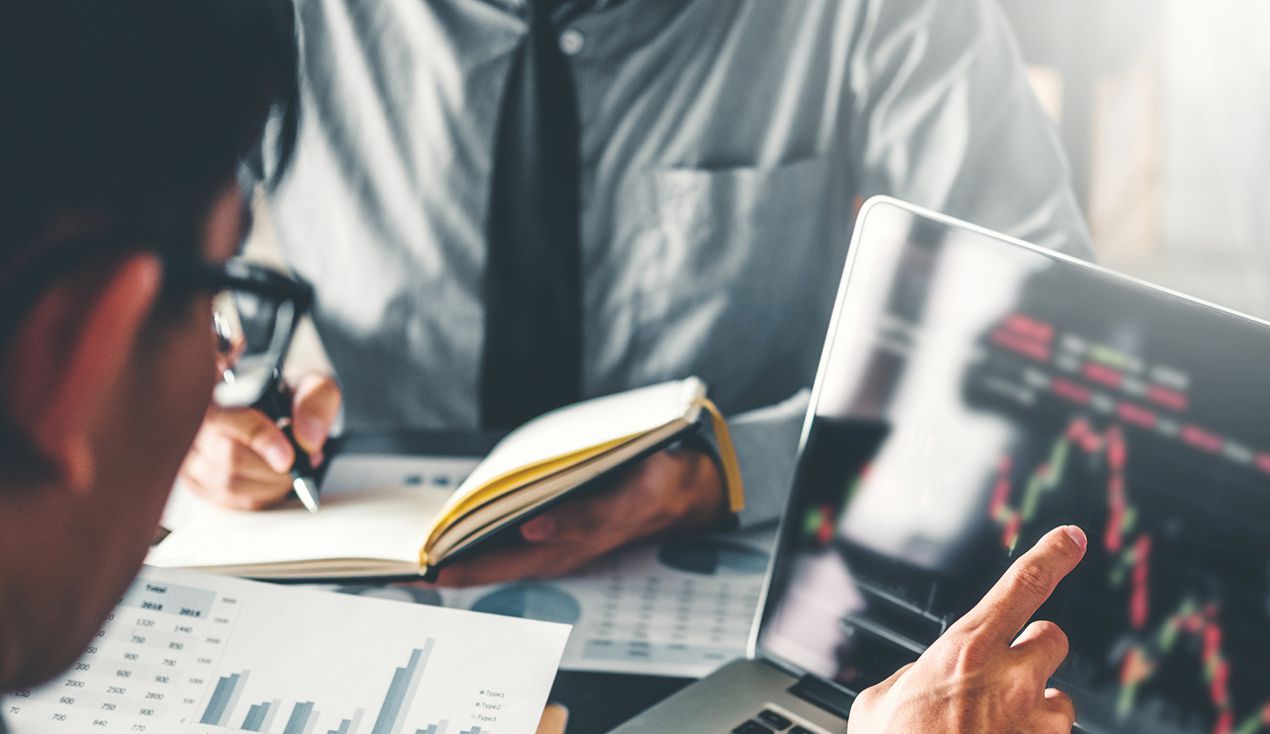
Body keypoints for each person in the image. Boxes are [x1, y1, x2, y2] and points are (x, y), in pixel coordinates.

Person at [0, 4, 1084, 734]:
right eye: (220, 296)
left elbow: (1048, 338)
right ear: (75, 354)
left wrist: (728, 463)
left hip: (744, 622)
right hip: (385, 611)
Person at [180, 0, 1092, 587]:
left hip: (745, 553)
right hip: (368, 547)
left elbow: (1043, 345)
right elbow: (135, 257)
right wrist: (193, 395)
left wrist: (731, 469)